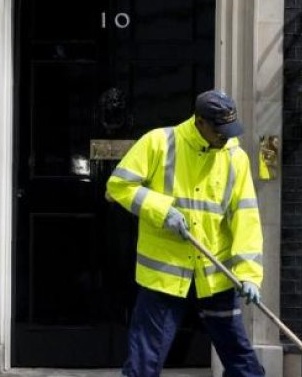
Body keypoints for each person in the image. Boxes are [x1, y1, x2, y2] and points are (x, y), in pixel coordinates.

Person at [106, 89, 265, 377]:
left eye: (230, 130)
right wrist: (162, 210)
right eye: (220, 130)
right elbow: (118, 186)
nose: (226, 137)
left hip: (215, 274)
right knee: (144, 363)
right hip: (164, 275)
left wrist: (250, 275)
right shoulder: (158, 143)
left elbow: (245, 217)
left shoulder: (235, 157)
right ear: (200, 122)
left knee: (243, 364)